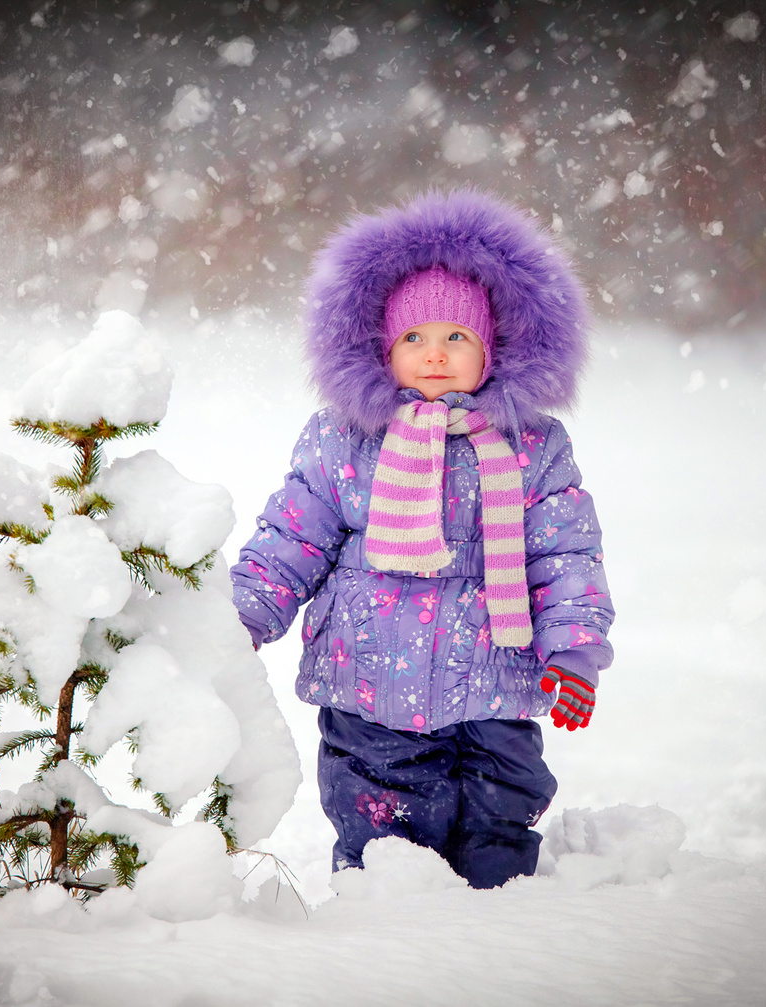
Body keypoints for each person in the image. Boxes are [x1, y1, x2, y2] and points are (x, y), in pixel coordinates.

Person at [230, 189, 614, 889]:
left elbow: (565, 555)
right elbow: (296, 531)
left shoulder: (532, 447)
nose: (434, 355)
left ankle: (502, 934)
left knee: (500, 812)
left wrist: (576, 651)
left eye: (456, 338)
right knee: (383, 827)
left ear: (492, 348)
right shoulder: (347, 438)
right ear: (383, 346)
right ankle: (387, 935)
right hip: (372, 676)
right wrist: (247, 613)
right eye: (415, 338)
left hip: (496, 677)